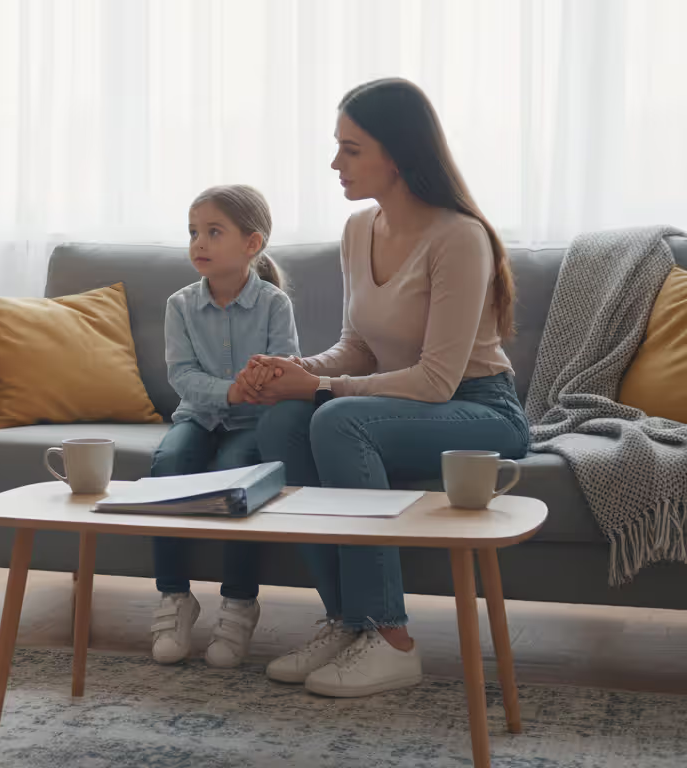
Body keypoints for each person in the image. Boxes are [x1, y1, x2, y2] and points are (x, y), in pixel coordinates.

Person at [238, 78, 529, 698]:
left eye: (350, 149)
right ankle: (347, 622)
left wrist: (321, 388)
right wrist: (293, 371)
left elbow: (436, 378)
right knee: (281, 422)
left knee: (335, 419)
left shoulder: (459, 238)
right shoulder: (357, 229)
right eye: (337, 147)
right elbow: (358, 346)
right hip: (402, 406)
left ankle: (391, 638)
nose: (335, 163)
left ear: (395, 155)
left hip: (478, 409)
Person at [148, 185, 300, 667]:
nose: (199, 243)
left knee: (239, 476)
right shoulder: (180, 305)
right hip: (199, 416)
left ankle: (238, 603)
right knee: (169, 462)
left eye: (214, 232)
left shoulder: (275, 304)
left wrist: (260, 382)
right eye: (194, 232)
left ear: (251, 244)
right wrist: (230, 390)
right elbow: (182, 376)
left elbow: (285, 368)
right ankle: (175, 597)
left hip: (254, 424)